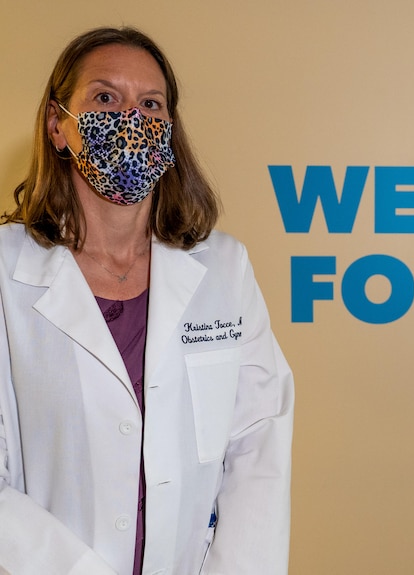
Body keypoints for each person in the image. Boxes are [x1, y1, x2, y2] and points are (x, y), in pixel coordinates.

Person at [0, 27, 294, 575]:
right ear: (58, 125)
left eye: (151, 104)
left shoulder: (224, 269)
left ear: (170, 130)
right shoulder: (4, 273)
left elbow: (258, 449)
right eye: (105, 98)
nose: (131, 119)